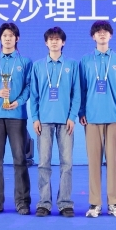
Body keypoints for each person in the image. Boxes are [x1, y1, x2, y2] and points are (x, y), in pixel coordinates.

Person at [79, 20, 116, 218]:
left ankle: (114, 203)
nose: (102, 34)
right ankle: (95, 204)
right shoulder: (85, 60)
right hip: (92, 117)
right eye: (98, 32)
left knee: (113, 161)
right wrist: (81, 111)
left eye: (105, 31)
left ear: (110, 35)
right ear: (93, 36)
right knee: (93, 161)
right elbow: (82, 89)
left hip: (114, 116)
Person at [0, 23, 33, 215]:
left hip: (17, 116)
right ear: (0, 38)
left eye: (11, 35)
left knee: (20, 159)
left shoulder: (25, 62)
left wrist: (18, 102)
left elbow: (29, 87)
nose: (8, 38)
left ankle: (22, 202)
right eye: (5, 35)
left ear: (17, 39)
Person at [30, 27, 80, 218]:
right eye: (51, 39)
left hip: (65, 122)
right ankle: (44, 203)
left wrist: (72, 117)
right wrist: (35, 118)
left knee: (66, 163)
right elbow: (34, 95)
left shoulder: (71, 65)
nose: (54, 42)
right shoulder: (38, 66)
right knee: (43, 163)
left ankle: (65, 203)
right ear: (46, 43)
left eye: (57, 39)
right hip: (44, 121)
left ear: (63, 42)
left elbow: (76, 93)